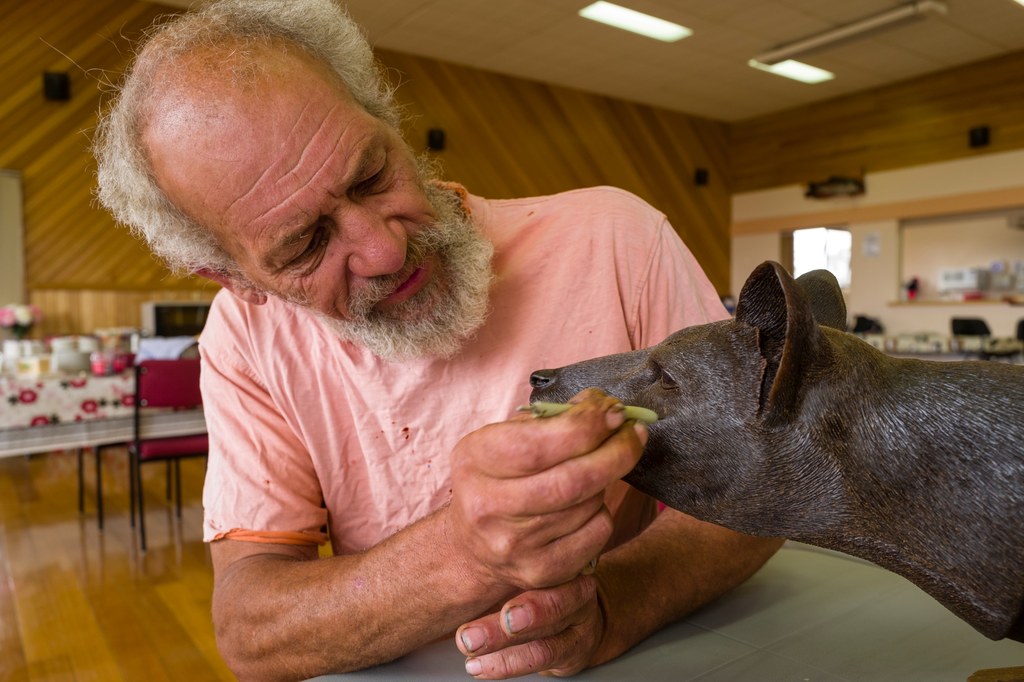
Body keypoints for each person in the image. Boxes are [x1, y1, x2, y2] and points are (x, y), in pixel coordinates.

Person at [93, 0, 782, 679]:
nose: (385, 251)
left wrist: (617, 604)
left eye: (371, 174)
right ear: (234, 277)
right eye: (304, 244)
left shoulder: (616, 241)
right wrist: (463, 554)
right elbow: (252, 631)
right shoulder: (249, 336)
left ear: (387, 119)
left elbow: (765, 478)